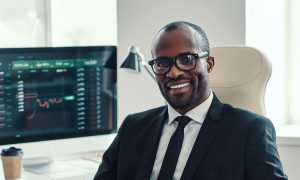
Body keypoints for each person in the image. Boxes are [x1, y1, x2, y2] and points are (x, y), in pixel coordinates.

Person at [94, 21, 287, 180]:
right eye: (162, 63)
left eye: (187, 59)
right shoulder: (133, 127)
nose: (174, 72)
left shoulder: (250, 130)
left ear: (209, 64)